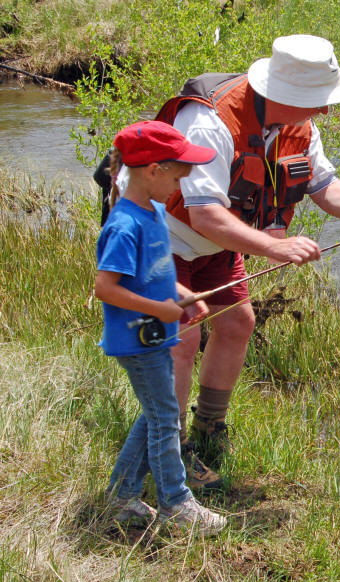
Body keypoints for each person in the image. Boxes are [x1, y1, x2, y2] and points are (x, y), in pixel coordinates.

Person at [144, 34, 340, 490]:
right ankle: (174, 451)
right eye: (318, 102)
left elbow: (323, 186)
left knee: (237, 324)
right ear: (284, 93)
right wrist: (274, 247)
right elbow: (204, 213)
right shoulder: (209, 120)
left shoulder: (300, 127)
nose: (325, 112)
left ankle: (209, 427)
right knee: (182, 338)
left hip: (214, 243)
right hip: (160, 235)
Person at [95, 120, 226, 535]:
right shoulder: (124, 224)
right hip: (135, 339)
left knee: (154, 415)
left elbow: (155, 271)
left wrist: (185, 294)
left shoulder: (152, 212)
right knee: (166, 417)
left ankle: (122, 496)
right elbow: (105, 288)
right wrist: (159, 308)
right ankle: (175, 503)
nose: (180, 186)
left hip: (154, 334)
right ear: (152, 170)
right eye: (176, 175)